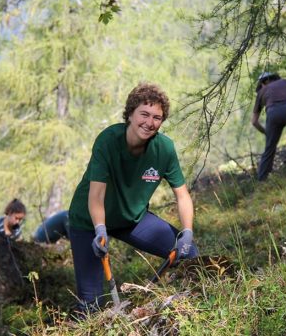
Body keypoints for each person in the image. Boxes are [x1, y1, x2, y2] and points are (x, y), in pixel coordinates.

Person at [68, 83, 198, 313]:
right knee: (92, 305)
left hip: (132, 219)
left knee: (190, 254)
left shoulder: (164, 149)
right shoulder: (108, 141)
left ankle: (187, 310)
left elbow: (182, 195)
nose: (149, 123)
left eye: (157, 117)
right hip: (90, 222)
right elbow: (96, 195)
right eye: (144, 114)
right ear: (130, 114)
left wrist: (187, 231)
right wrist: (100, 229)